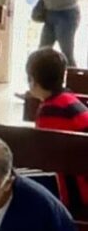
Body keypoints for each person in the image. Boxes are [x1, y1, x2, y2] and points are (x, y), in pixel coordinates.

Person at [27, 47, 88, 212]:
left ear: (33, 80)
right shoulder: (69, 100)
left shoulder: (49, 111)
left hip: (79, 195)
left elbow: (42, 157)